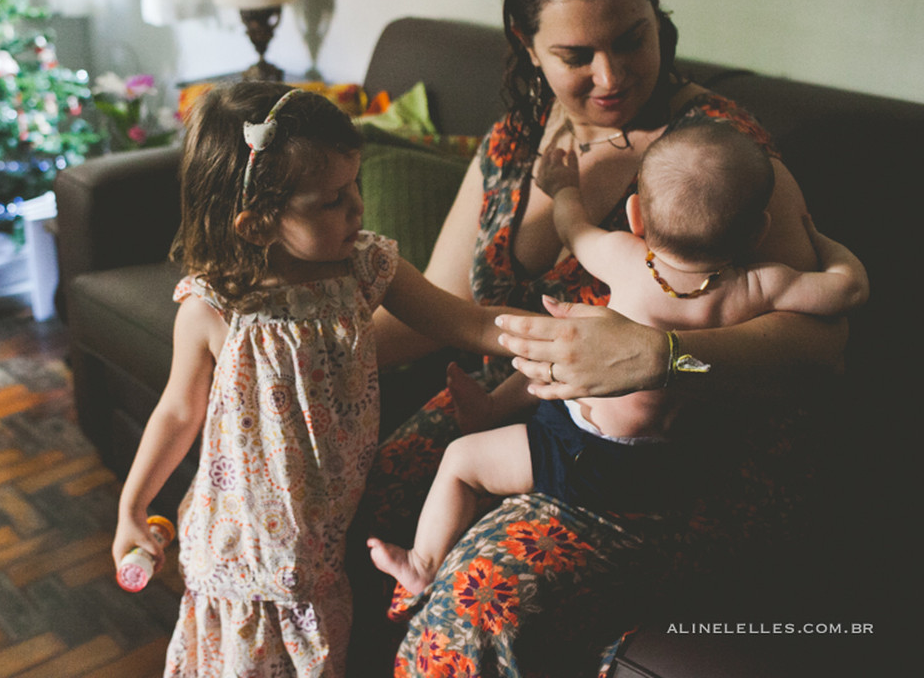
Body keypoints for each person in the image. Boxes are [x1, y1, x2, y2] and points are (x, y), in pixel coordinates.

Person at [348, 0, 849, 676]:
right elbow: (442, 307)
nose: (611, 77)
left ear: (658, 10)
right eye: (576, 53)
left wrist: (661, 355)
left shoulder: (716, 159)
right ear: (527, 43)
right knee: (358, 495)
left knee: (483, 596)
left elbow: (819, 353)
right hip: (525, 413)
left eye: (631, 39)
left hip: (675, 468)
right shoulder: (516, 139)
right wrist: (290, 348)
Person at [111, 82, 517, 677]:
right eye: (330, 200)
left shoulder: (367, 268)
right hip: (239, 554)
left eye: (354, 184)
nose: (356, 206)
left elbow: (467, 323)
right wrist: (132, 504)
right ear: (256, 225)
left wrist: (561, 336)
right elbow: (178, 412)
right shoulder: (216, 308)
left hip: (319, 558)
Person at [366, 119, 868, 596]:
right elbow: (847, 293)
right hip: (670, 458)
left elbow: (572, 226)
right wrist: (826, 244)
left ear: (637, 216)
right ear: (758, 231)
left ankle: (422, 564)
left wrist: (564, 186)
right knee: (572, 338)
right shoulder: (760, 285)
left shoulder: (626, 257)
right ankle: (495, 410)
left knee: (461, 460)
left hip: (594, 459)